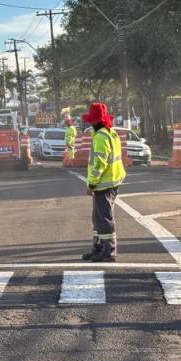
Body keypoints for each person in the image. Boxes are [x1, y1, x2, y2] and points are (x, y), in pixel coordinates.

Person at [81, 102, 126, 262]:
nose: (90, 123)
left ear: (95, 121)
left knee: (104, 218)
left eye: (91, 120)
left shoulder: (100, 137)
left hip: (103, 183)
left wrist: (92, 184)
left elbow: (99, 163)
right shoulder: (110, 132)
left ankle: (109, 251)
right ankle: (98, 248)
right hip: (112, 180)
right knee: (98, 218)